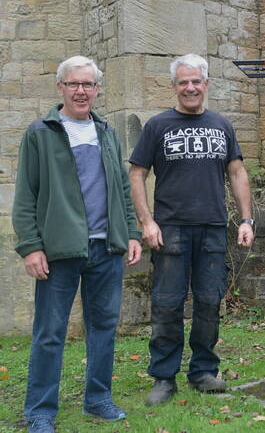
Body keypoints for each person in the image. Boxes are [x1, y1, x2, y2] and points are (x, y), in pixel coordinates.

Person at [13, 56, 142, 433]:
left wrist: (130, 233)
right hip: (59, 252)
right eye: (73, 84)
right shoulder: (40, 133)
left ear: (97, 88)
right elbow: (26, 196)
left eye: (88, 84)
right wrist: (31, 247)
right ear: (61, 88)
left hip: (106, 249)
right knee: (50, 333)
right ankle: (40, 410)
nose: (81, 91)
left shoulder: (105, 133)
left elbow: (120, 187)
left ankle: (98, 398)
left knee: (103, 327)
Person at [128, 53, 254, 406]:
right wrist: (146, 221)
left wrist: (246, 220)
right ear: (174, 87)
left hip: (213, 227)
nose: (190, 87)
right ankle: (164, 378)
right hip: (171, 230)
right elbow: (137, 174)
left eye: (196, 81)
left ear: (206, 84)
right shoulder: (157, 126)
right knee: (167, 304)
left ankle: (202, 371)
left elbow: (237, 172)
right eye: (183, 82)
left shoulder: (221, 125)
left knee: (209, 301)